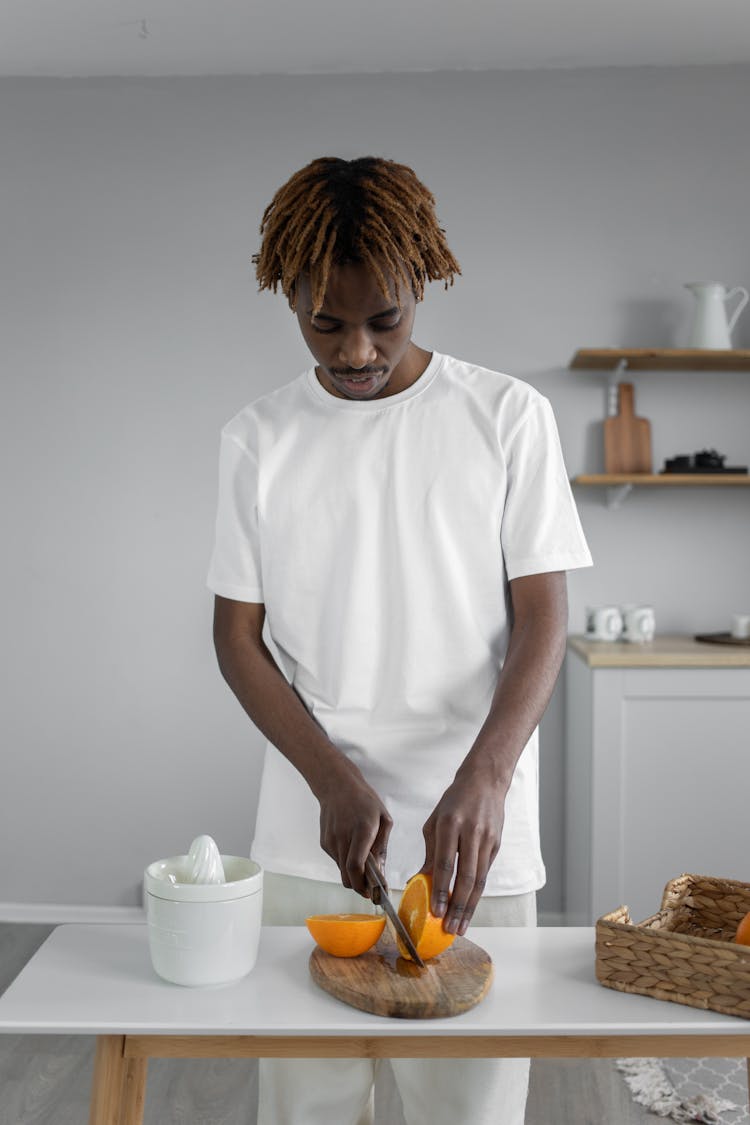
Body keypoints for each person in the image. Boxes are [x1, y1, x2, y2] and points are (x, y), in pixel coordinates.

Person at [207, 155, 592, 1125]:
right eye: (323, 324)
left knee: (468, 1109)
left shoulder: (508, 417)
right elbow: (237, 637)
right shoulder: (258, 438)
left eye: (386, 320)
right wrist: (328, 778)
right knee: (308, 1109)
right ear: (286, 295)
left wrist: (488, 778)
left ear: (426, 282)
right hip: (314, 844)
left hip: (477, 851)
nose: (353, 352)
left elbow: (545, 617)